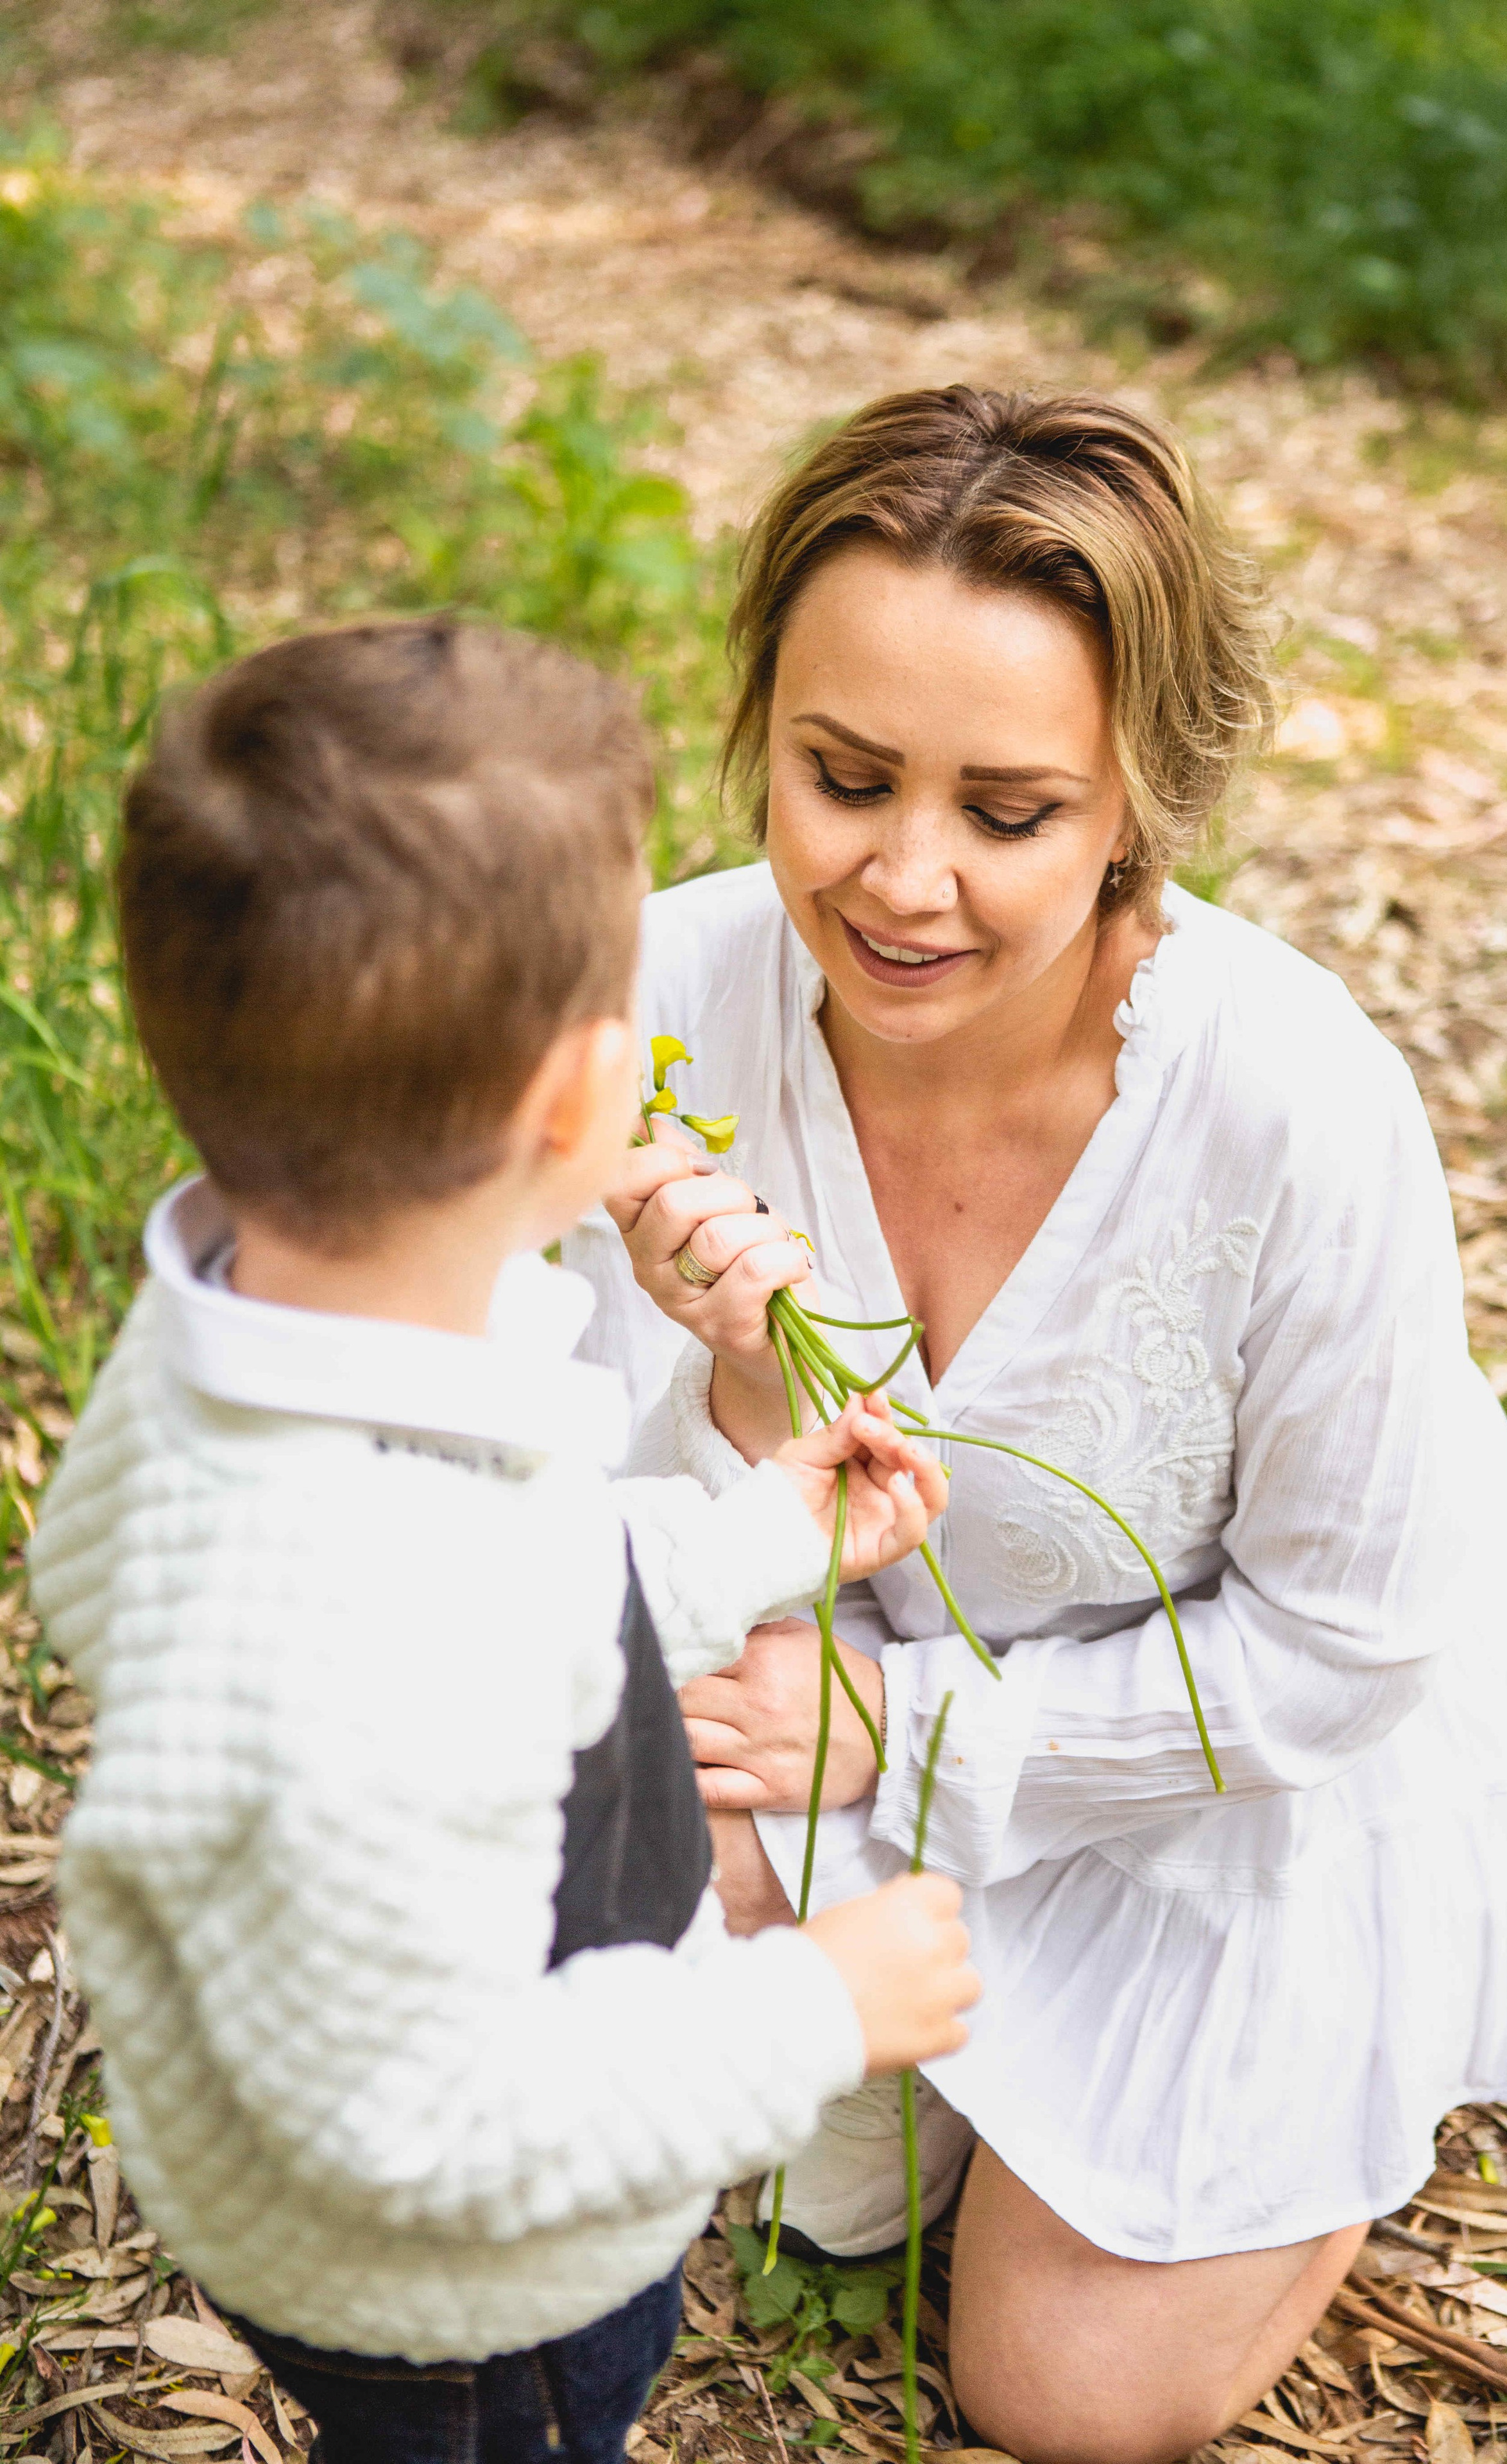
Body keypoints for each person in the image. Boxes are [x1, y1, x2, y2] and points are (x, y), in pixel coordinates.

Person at [566, 387, 1507, 2464]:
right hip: (813, 1666)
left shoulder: (1295, 1101)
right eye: (841, 776)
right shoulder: (669, 992)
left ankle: (1267, 2097)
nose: (903, 880)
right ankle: (919, 2044)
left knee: (1065, 2399)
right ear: (762, 718)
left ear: (1142, 801)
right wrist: (748, 1387)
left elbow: (1347, 1645)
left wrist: (913, 1750)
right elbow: (568, 1494)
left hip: (1235, 1768)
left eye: (1009, 812)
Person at [28, 619, 978, 2464]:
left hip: (339, 2143)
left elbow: (492, 1616)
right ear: (570, 1103)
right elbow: (428, 2118)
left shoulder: (252, 1325)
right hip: (463, 2305)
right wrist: (807, 2010)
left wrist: (752, 1540)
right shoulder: (371, 1596)